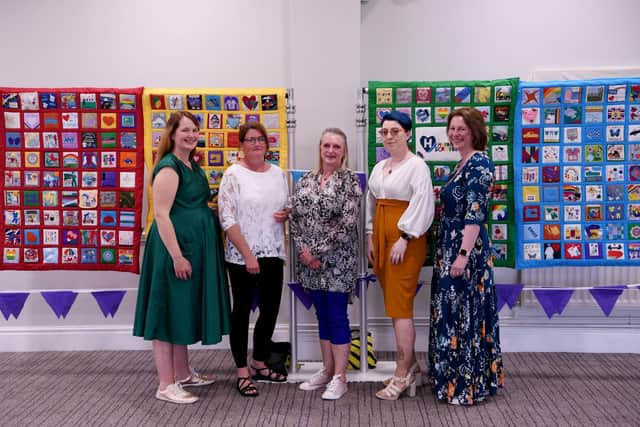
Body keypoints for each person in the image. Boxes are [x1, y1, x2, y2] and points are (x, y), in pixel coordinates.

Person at [133, 111, 231, 404]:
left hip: (192, 247)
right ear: (172, 134)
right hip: (173, 250)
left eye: (195, 130)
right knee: (166, 313)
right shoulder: (168, 168)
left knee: (180, 309)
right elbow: (161, 216)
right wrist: (177, 256)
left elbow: (191, 204)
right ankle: (165, 384)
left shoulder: (190, 164)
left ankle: (183, 373)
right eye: (185, 130)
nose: (191, 135)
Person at [428, 107, 504, 406]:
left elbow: (475, 216)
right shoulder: (462, 163)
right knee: (452, 313)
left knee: (464, 315)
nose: (455, 133)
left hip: (466, 252)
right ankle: (449, 377)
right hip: (450, 247)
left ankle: (466, 384)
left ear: (474, 131)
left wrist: (461, 256)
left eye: (462, 128)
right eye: (452, 128)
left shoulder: (480, 164)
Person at [218, 121, 290, 397]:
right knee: (241, 314)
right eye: (250, 140)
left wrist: (285, 214)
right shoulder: (233, 175)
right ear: (242, 145)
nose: (256, 144)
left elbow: (280, 207)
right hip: (241, 256)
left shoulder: (278, 174)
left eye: (260, 139)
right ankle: (242, 372)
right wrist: (248, 255)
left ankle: (259, 361)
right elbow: (227, 218)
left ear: (267, 144)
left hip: (272, 252)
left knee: (270, 310)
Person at [366, 111, 435, 400]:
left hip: (404, 240)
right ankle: (412, 366)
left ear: (408, 133)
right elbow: (371, 202)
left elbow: (422, 203)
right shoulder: (380, 166)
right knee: (394, 304)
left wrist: (404, 238)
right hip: (381, 238)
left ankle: (402, 373)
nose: (389, 136)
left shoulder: (417, 166)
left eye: (395, 131)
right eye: (384, 131)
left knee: (400, 307)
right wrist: (371, 235)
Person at [290, 128, 362, 400]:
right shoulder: (307, 180)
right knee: (321, 316)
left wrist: (316, 251)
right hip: (310, 262)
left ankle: (341, 377)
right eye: (327, 145)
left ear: (344, 152)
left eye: (337, 147)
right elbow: (294, 218)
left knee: (336, 316)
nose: (331, 151)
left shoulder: (350, 182)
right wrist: (304, 251)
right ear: (320, 147)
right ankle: (327, 369)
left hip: (337, 261)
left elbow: (346, 225)